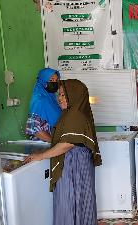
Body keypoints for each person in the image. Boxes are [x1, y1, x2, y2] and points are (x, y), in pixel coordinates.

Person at [24, 79, 102, 225]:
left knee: (70, 200)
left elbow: (67, 143)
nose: (60, 98)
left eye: (64, 95)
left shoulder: (74, 115)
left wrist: (40, 156)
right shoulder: (69, 113)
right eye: (59, 95)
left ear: (75, 95)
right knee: (77, 200)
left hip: (74, 165)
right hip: (76, 163)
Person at [25, 68, 61, 142]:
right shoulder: (39, 99)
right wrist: (54, 142)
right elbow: (33, 128)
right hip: (44, 145)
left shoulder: (51, 98)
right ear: (42, 80)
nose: (54, 83)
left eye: (56, 80)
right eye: (51, 80)